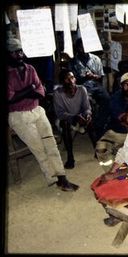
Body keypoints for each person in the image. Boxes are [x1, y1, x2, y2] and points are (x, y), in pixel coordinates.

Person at [6, 37, 79, 192]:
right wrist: (29, 89)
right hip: (18, 115)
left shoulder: (30, 69)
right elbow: (10, 99)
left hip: (37, 110)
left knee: (51, 144)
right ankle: (52, 178)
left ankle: (62, 177)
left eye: (20, 51)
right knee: (39, 148)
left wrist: (25, 92)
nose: (19, 55)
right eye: (14, 53)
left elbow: (41, 92)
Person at [53, 69, 98, 169]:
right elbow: (60, 113)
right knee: (64, 124)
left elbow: (87, 107)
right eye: (67, 79)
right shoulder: (58, 93)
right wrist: (74, 117)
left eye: (72, 78)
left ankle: (97, 150)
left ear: (75, 79)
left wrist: (87, 115)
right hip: (66, 119)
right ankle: (70, 158)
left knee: (90, 120)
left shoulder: (82, 89)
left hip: (80, 116)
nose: (71, 81)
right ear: (62, 82)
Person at [70, 38, 111, 140]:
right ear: (77, 48)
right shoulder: (73, 62)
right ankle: (84, 124)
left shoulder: (96, 59)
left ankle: (100, 124)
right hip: (81, 87)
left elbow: (101, 76)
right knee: (86, 103)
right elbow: (72, 81)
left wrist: (95, 77)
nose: (83, 49)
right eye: (80, 47)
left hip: (95, 85)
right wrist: (84, 78)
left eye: (85, 46)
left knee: (107, 99)